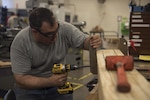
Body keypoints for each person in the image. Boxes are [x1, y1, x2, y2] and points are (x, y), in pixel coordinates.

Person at [10, 7, 101, 100]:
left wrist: (91, 41)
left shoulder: (64, 28)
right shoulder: (21, 42)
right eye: (50, 34)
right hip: (29, 89)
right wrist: (50, 81)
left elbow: (84, 42)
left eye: (56, 31)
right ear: (35, 31)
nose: (56, 36)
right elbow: (21, 79)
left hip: (58, 85)